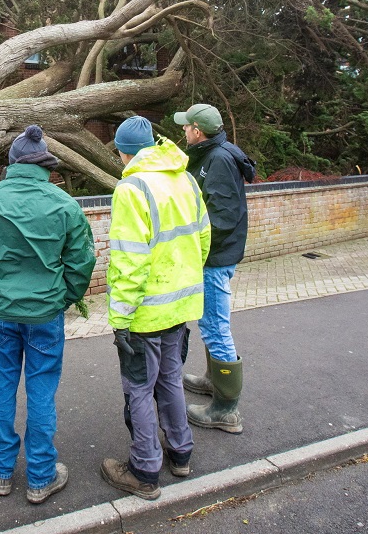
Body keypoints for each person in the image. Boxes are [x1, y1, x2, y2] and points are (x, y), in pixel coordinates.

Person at [0, 125, 96, 504]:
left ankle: (1, 472)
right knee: (41, 392)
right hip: (44, 314)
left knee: (1, 387)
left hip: (0, 312)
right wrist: (60, 298)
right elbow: (82, 263)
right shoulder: (65, 205)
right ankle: (40, 477)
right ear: (46, 165)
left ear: (13, 163)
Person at [100, 115, 210, 501]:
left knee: (139, 390)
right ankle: (181, 453)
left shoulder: (131, 187)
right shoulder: (186, 178)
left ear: (122, 150)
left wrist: (120, 318)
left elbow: (130, 261)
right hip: (181, 305)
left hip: (145, 312)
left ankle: (144, 471)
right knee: (170, 380)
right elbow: (203, 239)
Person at [172, 103, 256, 433]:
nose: (183, 131)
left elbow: (220, 217)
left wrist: (196, 247)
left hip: (214, 258)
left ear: (198, 131)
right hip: (215, 256)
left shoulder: (218, 160)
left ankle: (225, 409)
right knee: (211, 323)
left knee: (215, 326)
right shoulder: (212, 153)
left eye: (186, 126)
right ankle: (212, 380)